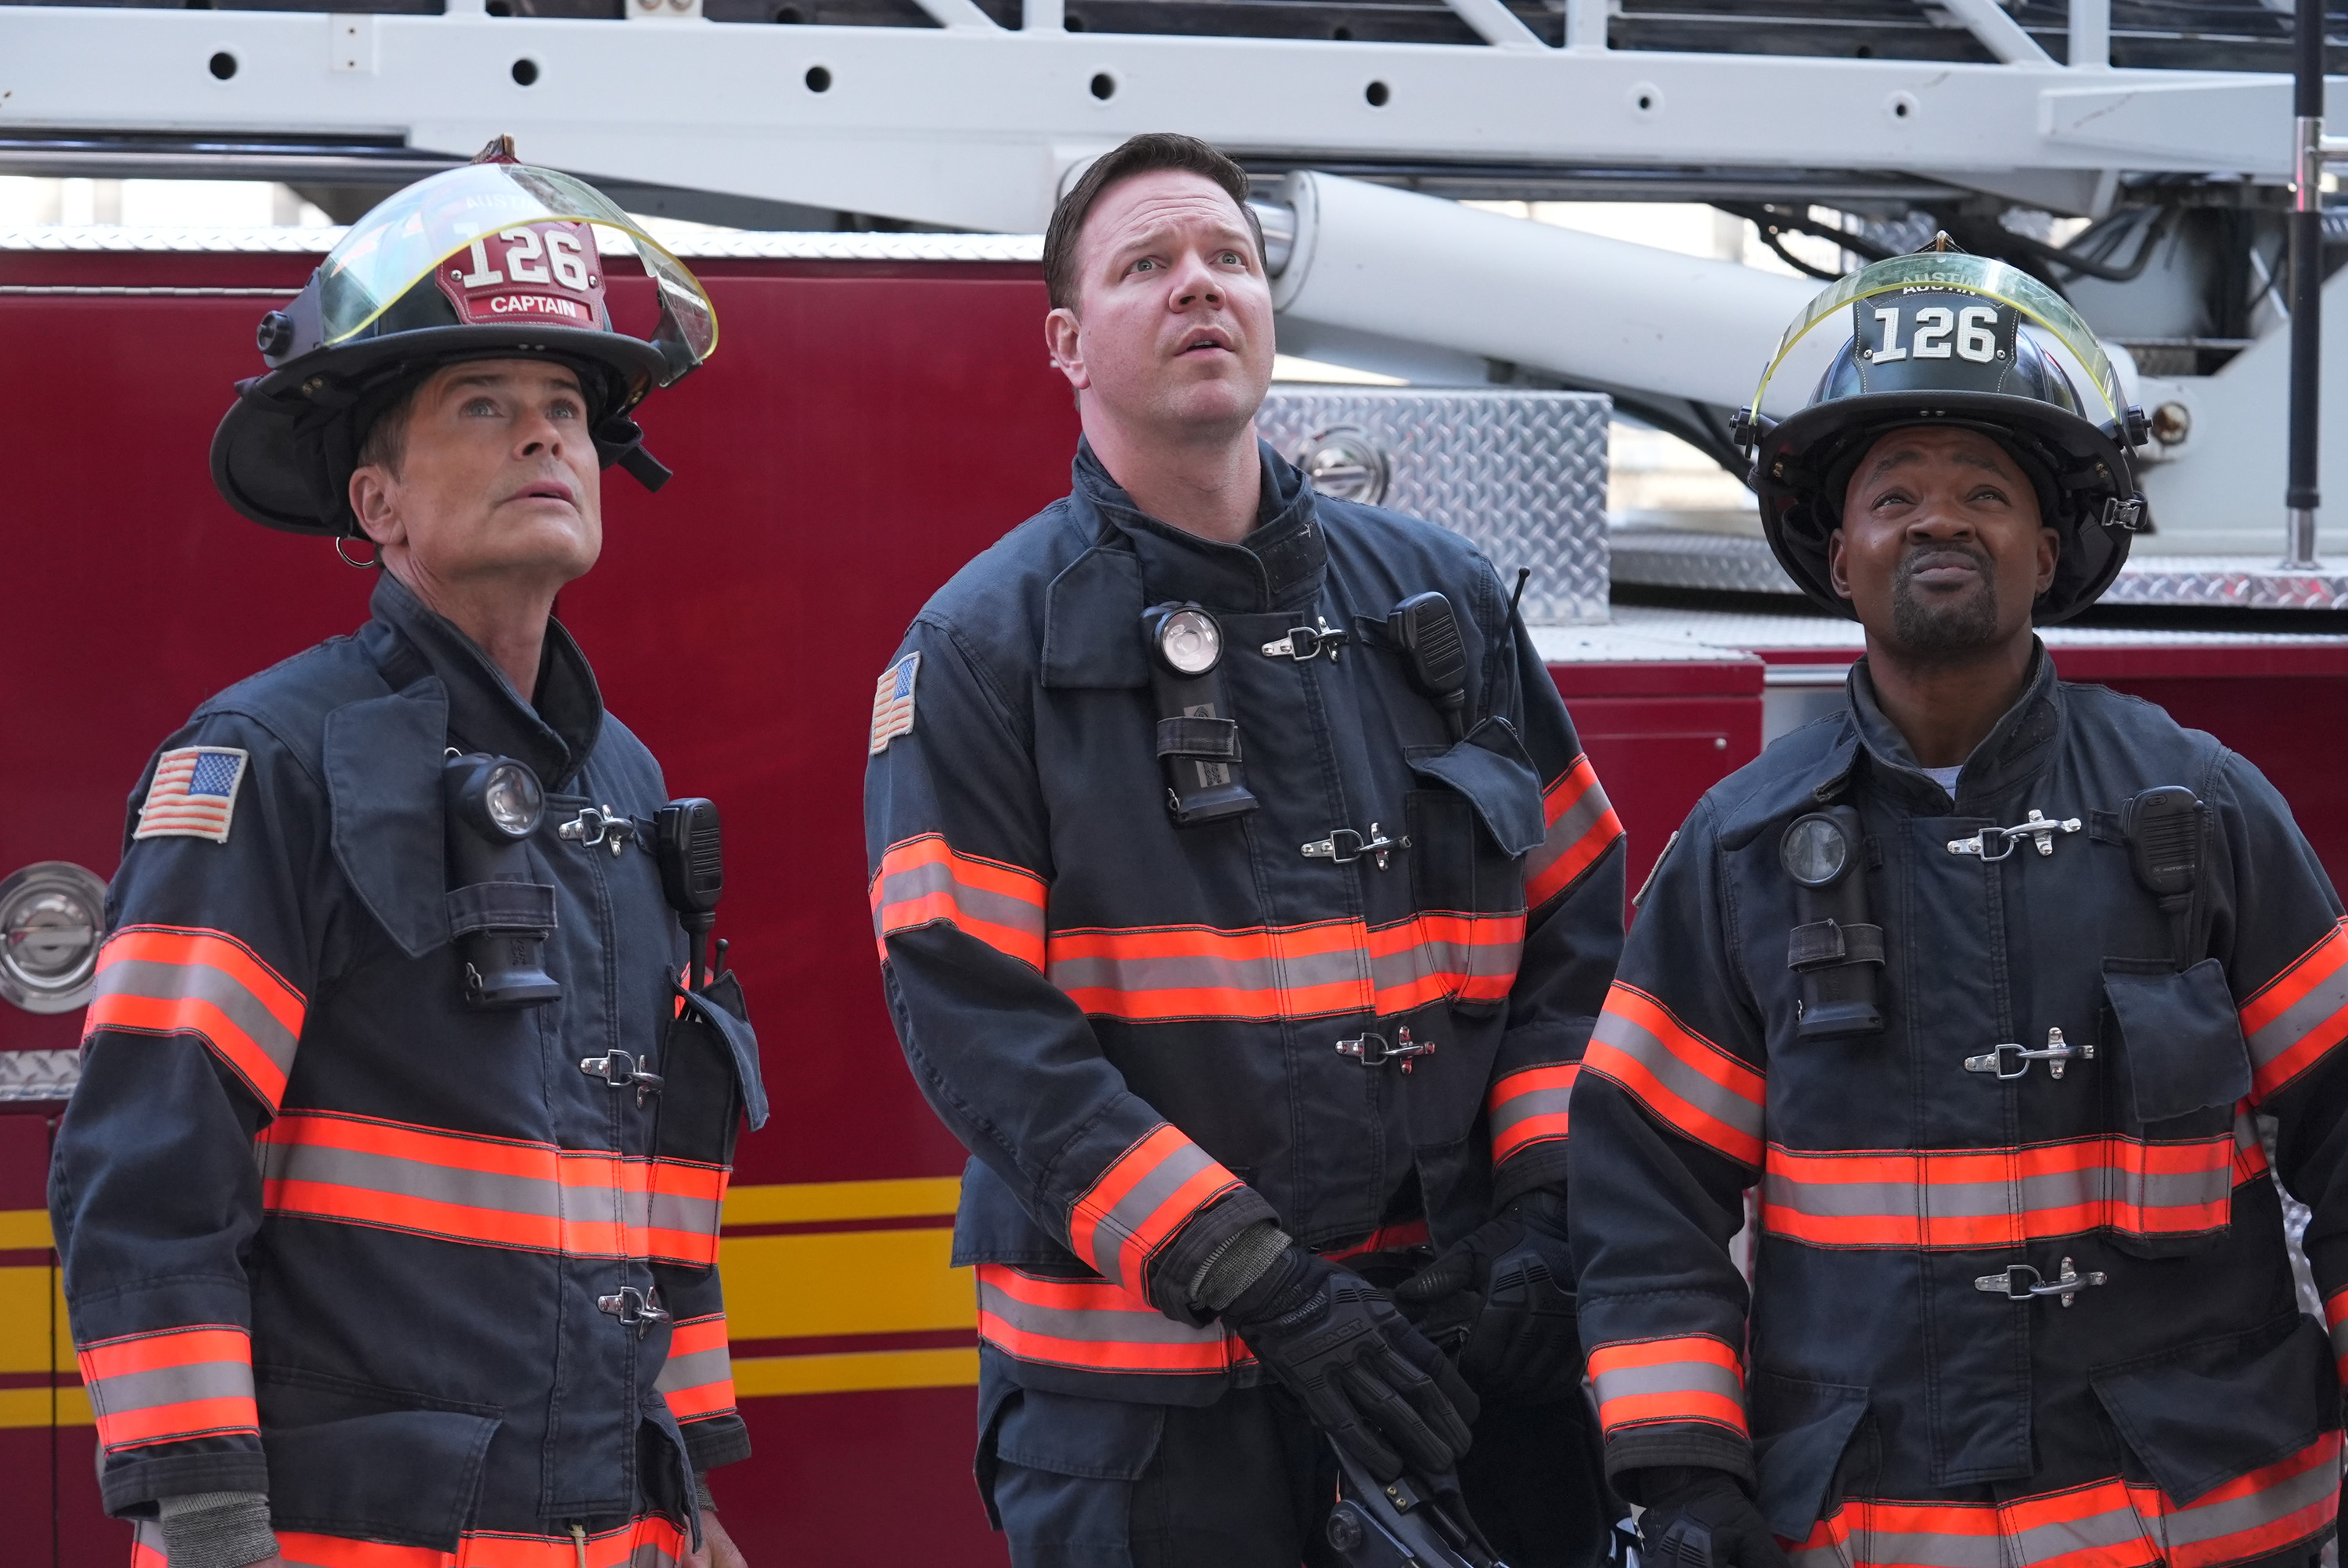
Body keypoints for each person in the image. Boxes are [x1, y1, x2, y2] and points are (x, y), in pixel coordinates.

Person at [863, 131, 1626, 1566]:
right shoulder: (984, 648)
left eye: (1229, 259)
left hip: (1459, 1374)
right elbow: (976, 1023)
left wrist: (1542, 1213)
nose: (1199, 286)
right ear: (1068, 342)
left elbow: (1580, 932)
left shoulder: (1439, 602)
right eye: (1146, 266)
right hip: (1146, 1424)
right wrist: (1250, 1273)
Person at [1569, 245, 2348, 1568]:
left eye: (1987, 492)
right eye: (1898, 496)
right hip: (1870, 1526)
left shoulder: (2201, 808)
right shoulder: (1737, 851)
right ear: (1840, 555)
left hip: (2204, 1526)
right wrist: (1689, 1480)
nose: (1941, 521)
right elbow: (1645, 1197)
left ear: (2049, 550)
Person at [50, 144, 763, 1568]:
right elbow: (148, 1167)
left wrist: (686, 1493)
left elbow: (652, 1170)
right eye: (486, 406)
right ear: (377, 508)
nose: (547, 438)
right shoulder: (267, 758)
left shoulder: (624, 787)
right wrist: (205, 1517)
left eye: (567, 408)